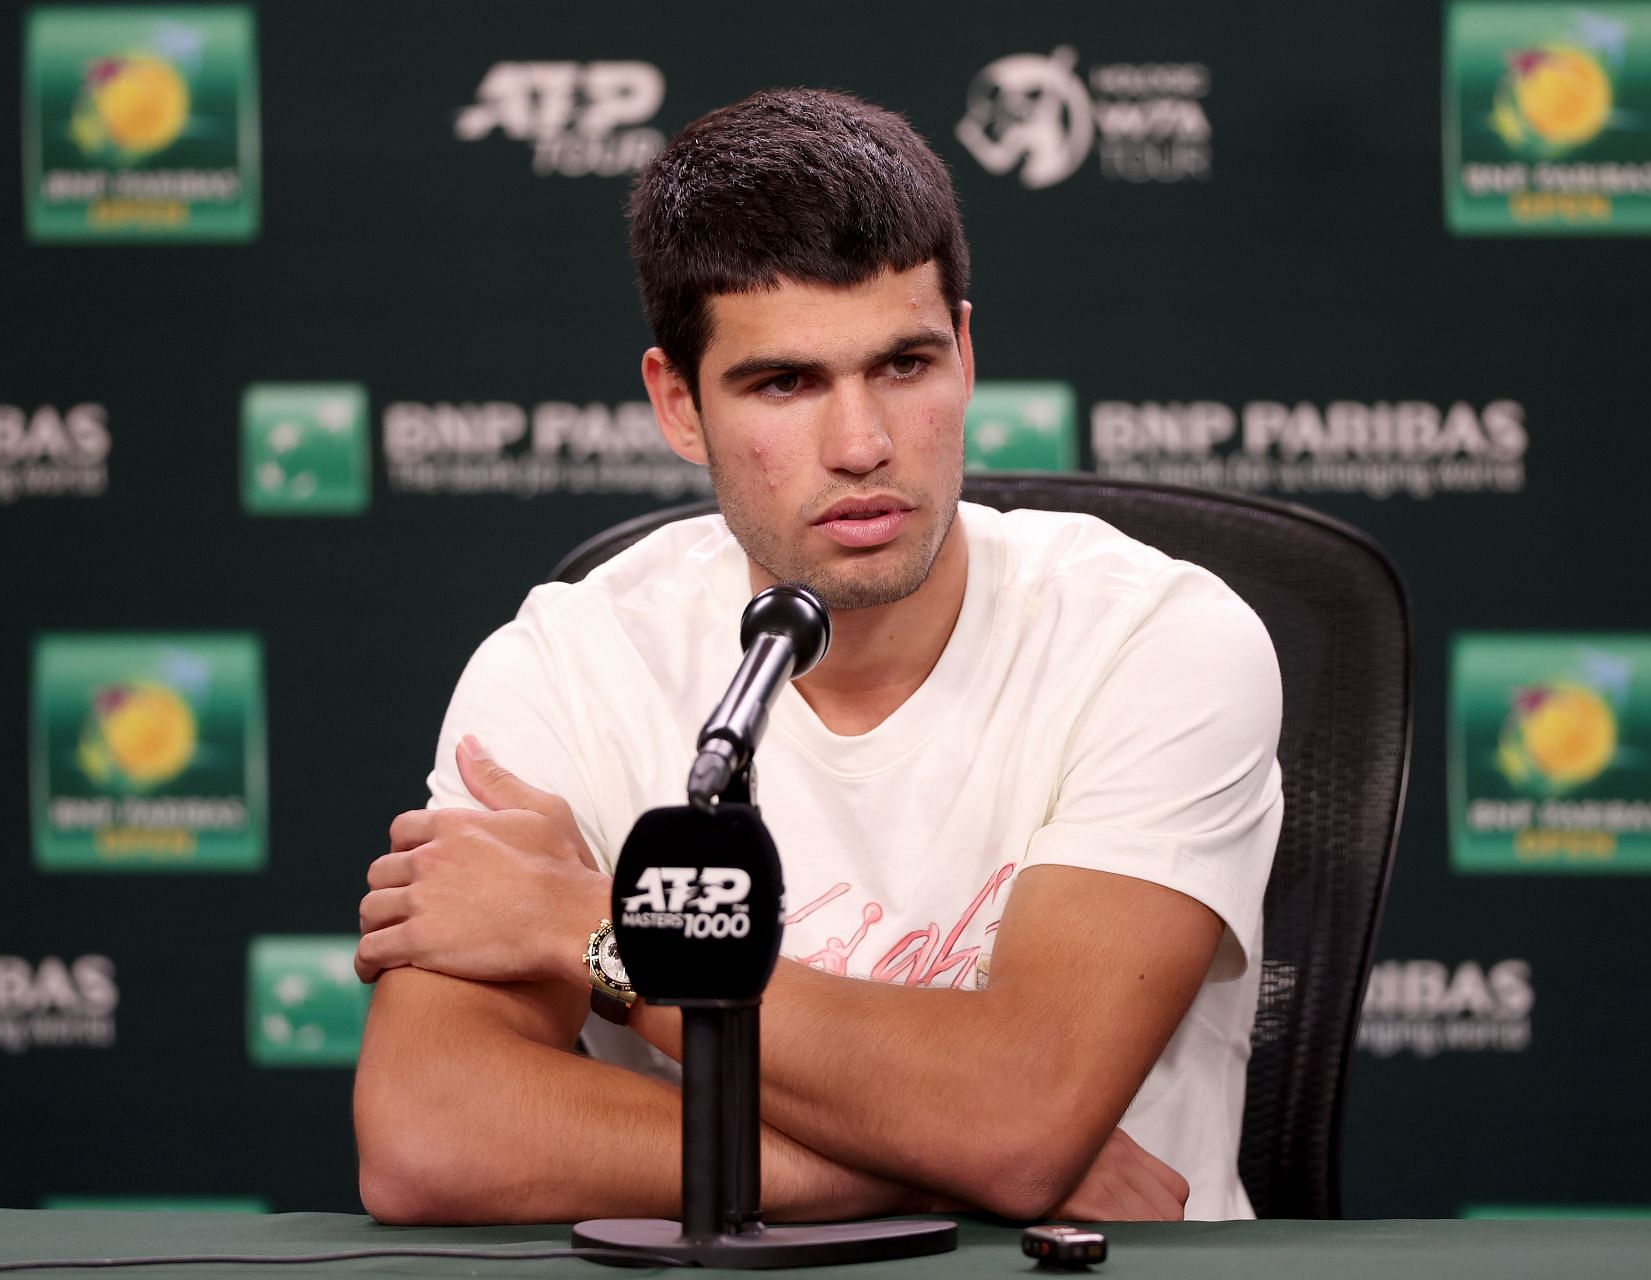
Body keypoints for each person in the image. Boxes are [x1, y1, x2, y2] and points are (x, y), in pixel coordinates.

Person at [350, 87, 1282, 1225]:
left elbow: (1018, 1116)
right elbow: (428, 1134)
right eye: (784, 383)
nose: (863, 446)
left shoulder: (1157, 639)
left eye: (904, 364)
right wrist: (941, 1169)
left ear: (967, 353)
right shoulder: (566, 665)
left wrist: (586, 925)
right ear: (678, 405)